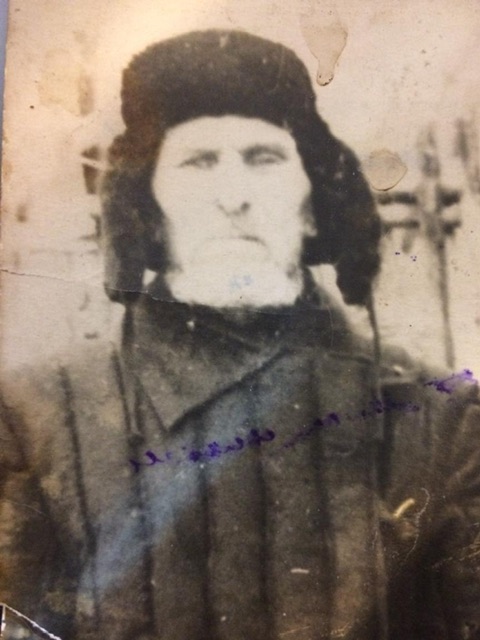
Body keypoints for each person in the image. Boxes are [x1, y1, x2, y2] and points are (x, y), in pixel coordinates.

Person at [1, 29, 480, 640]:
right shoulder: (34, 420)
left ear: (313, 205)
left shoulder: (443, 422)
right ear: (149, 209)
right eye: (198, 162)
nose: (234, 198)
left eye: (264, 159)